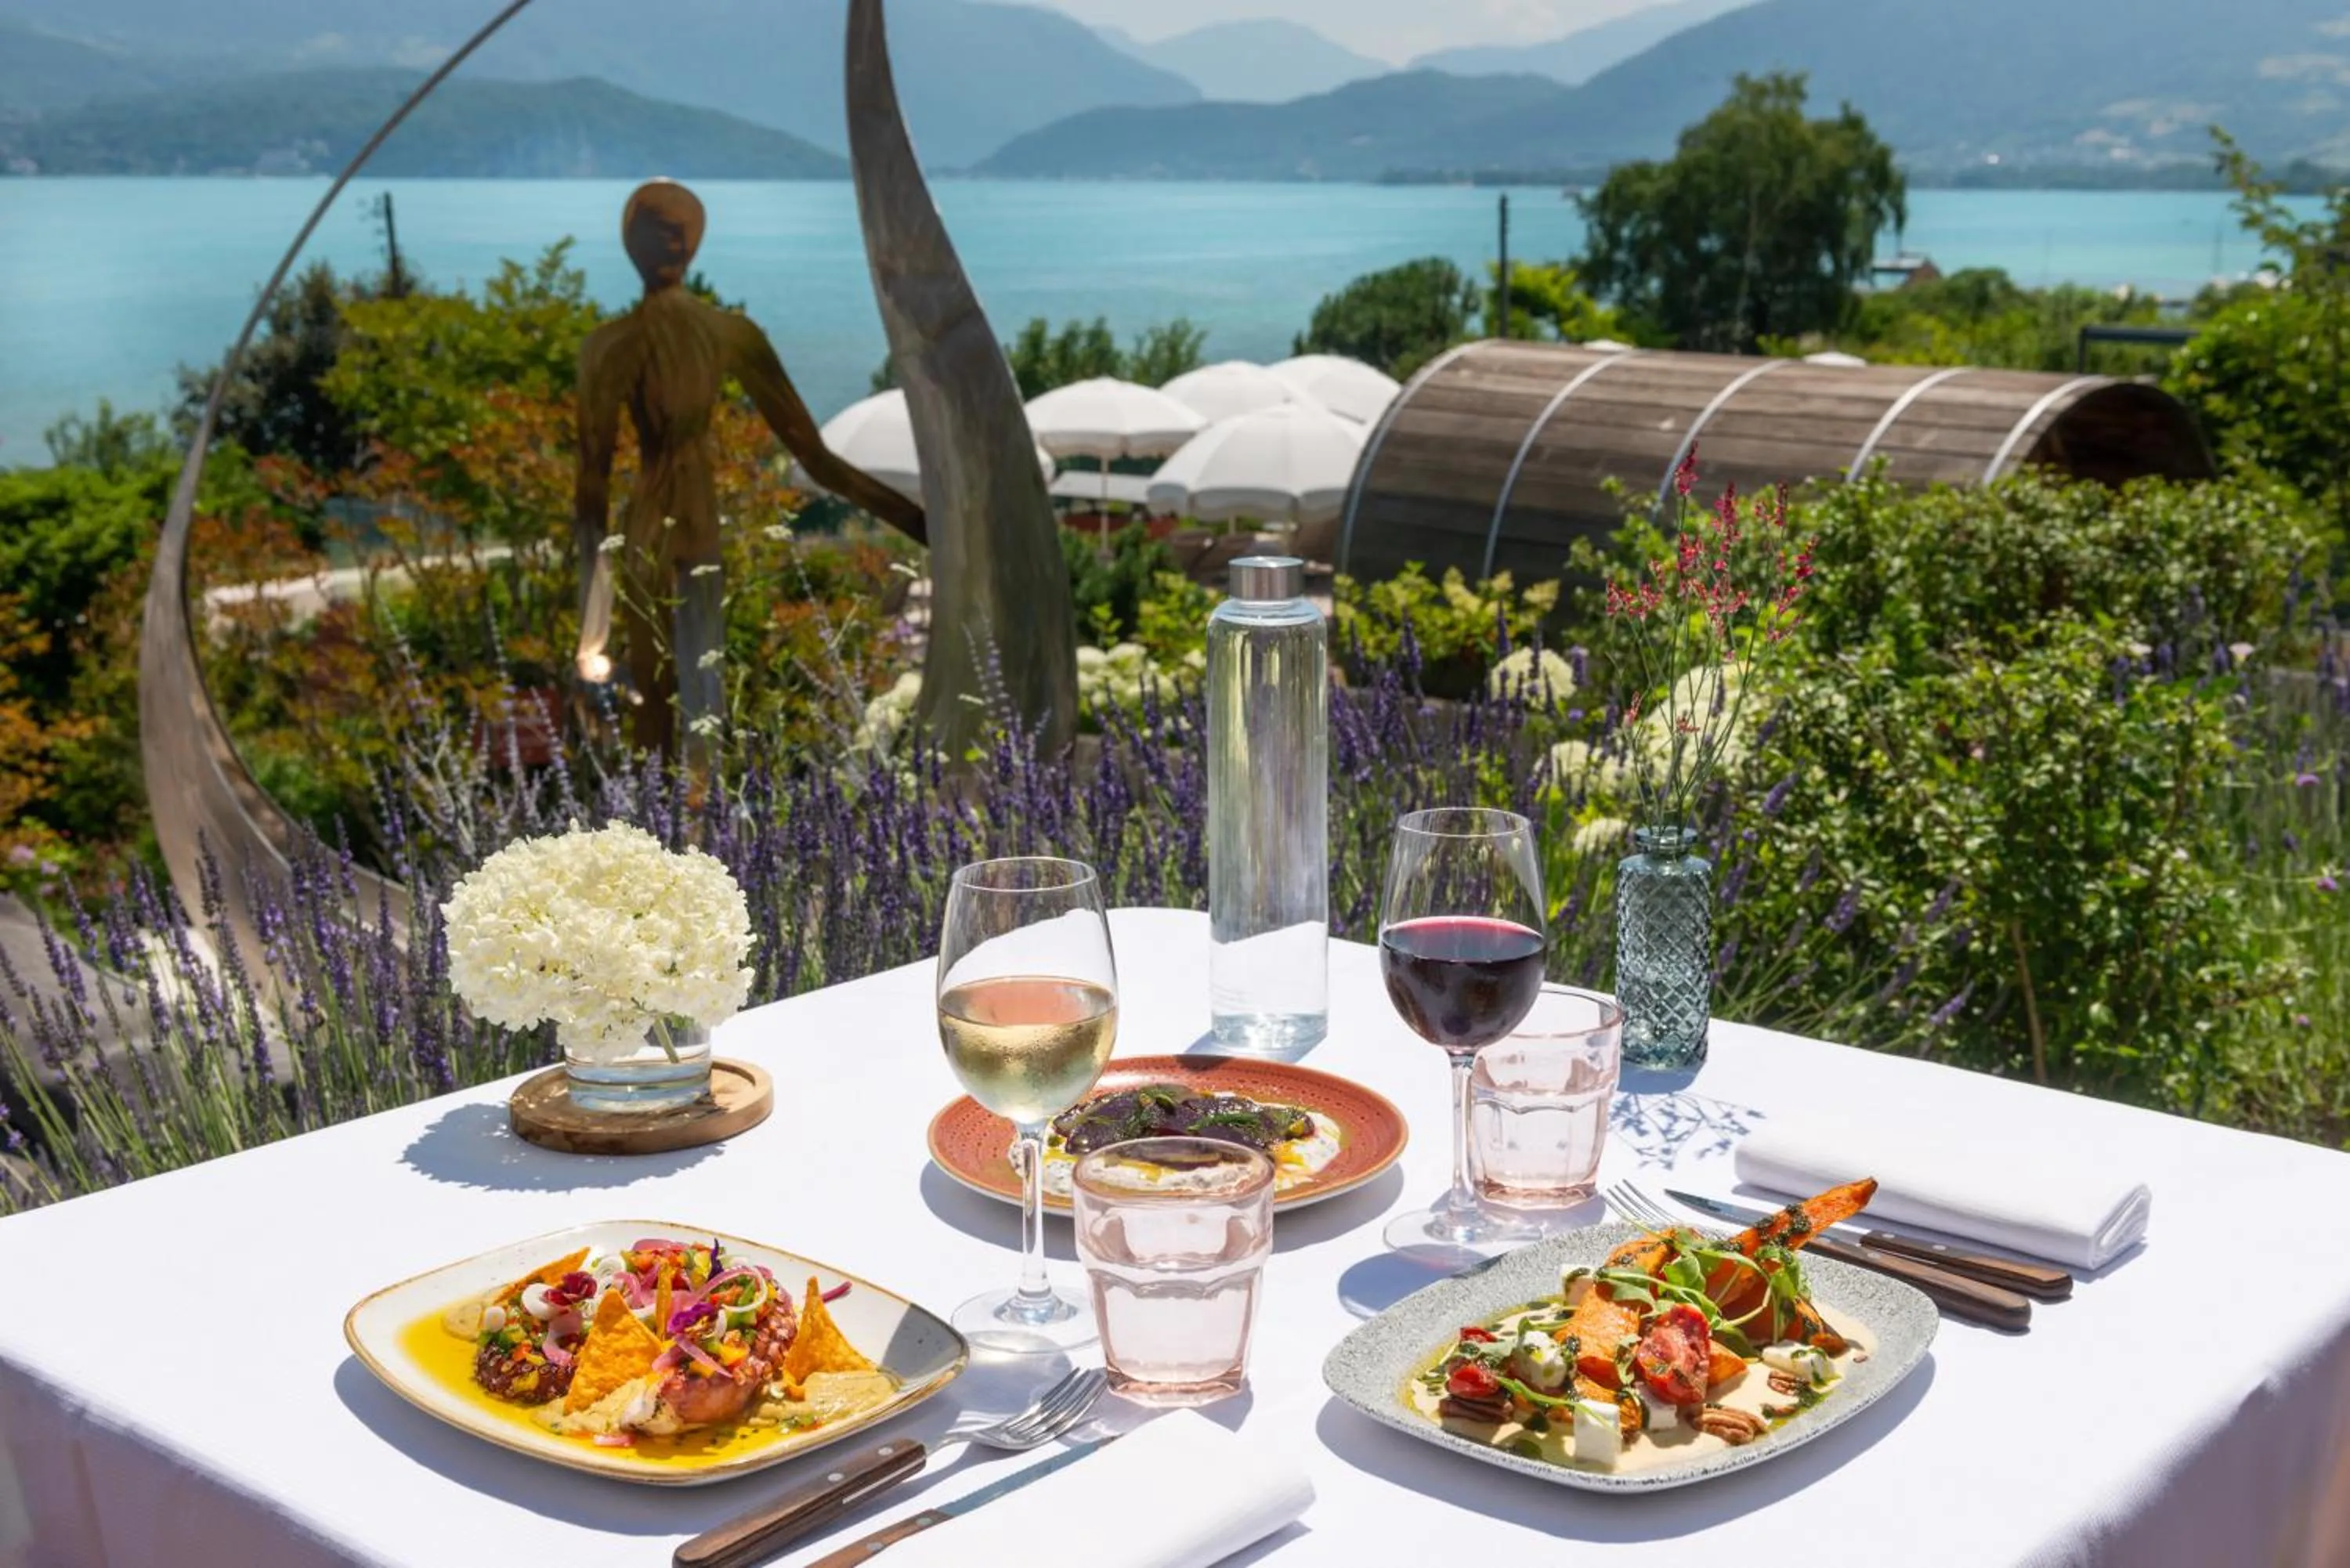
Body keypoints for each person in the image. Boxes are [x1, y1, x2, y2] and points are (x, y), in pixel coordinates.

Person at [573, 178, 925, 754]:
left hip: (687, 529)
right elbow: (590, 493)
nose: (669, 244)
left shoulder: (721, 336)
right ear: (632, 242)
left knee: (697, 710)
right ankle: (659, 823)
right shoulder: (615, 345)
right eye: (656, 230)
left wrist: (916, 521)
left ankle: (687, 820)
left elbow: (814, 455)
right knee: (665, 708)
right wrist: (591, 634)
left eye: (678, 231)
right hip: (660, 531)